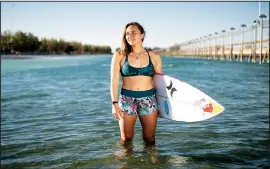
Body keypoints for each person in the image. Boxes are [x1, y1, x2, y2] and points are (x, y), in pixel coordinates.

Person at [110, 22, 162, 145]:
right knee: (126, 139)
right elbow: (114, 80)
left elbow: (160, 82)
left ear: (142, 35)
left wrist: (162, 104)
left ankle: (151, 163)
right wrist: (114, 103)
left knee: (149, 139)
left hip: (149, 99)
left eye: (133, 33)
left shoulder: (154, 56)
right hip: (127, 99)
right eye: (127, 33)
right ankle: (126, 163)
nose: (130, 36)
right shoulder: (120, 55)